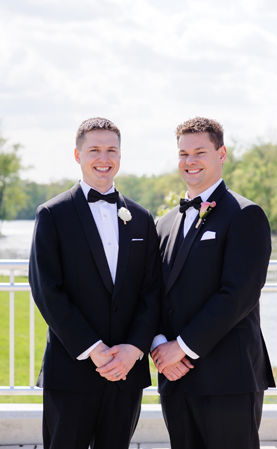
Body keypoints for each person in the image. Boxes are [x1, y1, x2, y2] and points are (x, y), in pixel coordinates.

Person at [29, 117, 161, 448]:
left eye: (111, 150)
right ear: (77, 155)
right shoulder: (53, 214)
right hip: (72, 368)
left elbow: (151, 291)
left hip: (126, 371)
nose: (104, 159)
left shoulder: (142, 219)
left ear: (120, 155)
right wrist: (94, 349)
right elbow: (47, 290)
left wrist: (133, 349)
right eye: (94, 150)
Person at [150, 117, 275, 449]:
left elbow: (238, 295)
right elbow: (151, 293)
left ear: (221, 154)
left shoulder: (245, 214)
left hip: (228, 378)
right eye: (183, 154)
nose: (190, 161)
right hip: (175, 377)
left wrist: (182, 347)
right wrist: (160, 348)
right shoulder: (164, 223)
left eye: (199, 152)